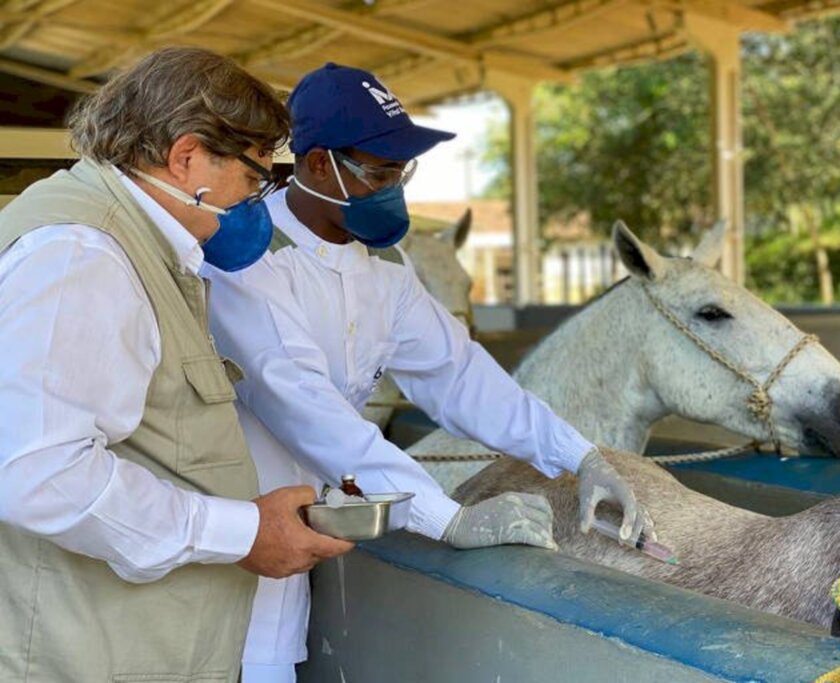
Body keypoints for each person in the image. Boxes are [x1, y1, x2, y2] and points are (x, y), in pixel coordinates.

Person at [205, 63, 653, 683]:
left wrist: (581, 458)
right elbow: (304, 404)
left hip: (301, 543)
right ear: (316, 166)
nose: (397, 188)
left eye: (403, 172)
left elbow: (460, 374)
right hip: (228, 539)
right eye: (381, 172)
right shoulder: (245, 259)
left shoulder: (384, 267)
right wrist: (447, 518)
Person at [0, 47, 352, 683]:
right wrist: (242, 531)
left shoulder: (123, 245)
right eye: (253, 176)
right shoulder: (85, 257)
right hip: (86, 655)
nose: (256, 198)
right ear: (187, 157)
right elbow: (41, 477)